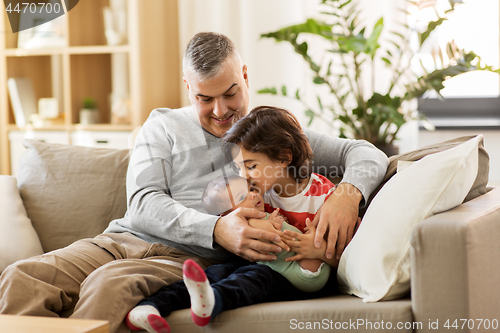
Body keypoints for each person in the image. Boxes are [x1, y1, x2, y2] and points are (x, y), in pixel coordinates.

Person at [0, 32, 388, 333]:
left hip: (186, 258)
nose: (221, 111)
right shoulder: (163, 125)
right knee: (23, 276)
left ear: (246, 77)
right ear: (188, 87)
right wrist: (218, 227)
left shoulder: (271, 132)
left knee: (107, 287)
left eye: (231, 93)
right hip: (120, 239)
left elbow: (367, 154)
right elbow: (143, 203)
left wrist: (347, 195)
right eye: (205, 98)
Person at [125, 106, 354, 333]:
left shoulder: (325, 197)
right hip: (263, 261)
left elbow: (346, 255)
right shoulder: (260, 193)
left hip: (299, 278)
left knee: (254, 279)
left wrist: (317, 251)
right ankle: (151, 306)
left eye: (251, 166)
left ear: (284, 158)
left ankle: (213, 301)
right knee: (217, 272)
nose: (244, 177)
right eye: (239, 168)